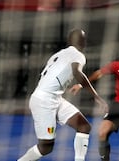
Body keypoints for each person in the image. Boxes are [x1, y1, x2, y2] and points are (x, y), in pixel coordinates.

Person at [17, 29, 108, 161]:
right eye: (83, 39)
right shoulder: (78, 55)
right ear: (82, 42)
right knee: (46, 147)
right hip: (44, 101)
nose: (85, 41)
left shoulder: (58, 54)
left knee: (84, 126)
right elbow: (77, 72)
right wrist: (97, 97)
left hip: (54, 98)